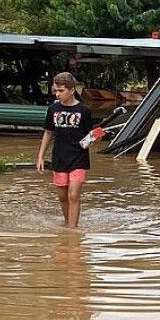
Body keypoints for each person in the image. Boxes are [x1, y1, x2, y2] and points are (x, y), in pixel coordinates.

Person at [35, 72, 93, 228]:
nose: (57, 94)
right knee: (62, 197)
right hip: (59, 158)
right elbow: (48, 132)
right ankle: (68, 222)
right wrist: (40, 156)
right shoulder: (53, 109)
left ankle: (72, 232)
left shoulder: (84, 111)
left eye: (61, 91)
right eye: (55, 91)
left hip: (78, 158)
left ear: (72, 90)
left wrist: (94, 138)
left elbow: (90, 136)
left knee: (73, 196)